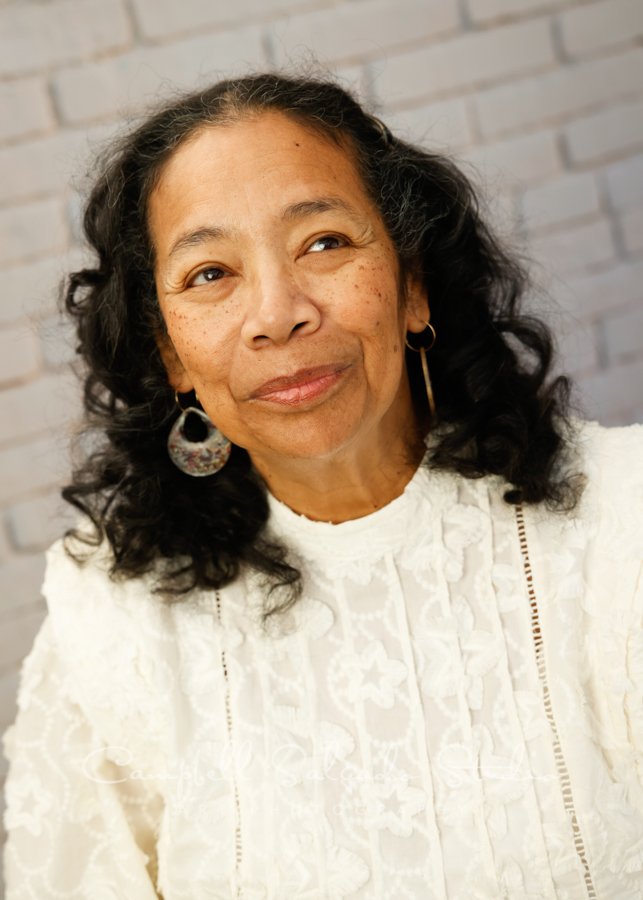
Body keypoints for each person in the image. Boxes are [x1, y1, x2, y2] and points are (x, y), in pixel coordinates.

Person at [2, 71, 642, 900]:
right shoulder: (114, 621)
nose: (278, 313)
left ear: (413, 286)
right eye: (209, 274)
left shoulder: (621, 521)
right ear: (170, 357)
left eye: (323, 243)